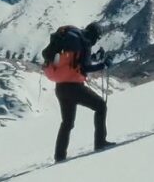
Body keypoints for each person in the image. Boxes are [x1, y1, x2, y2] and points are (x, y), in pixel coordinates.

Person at [44, 22, 115, 162]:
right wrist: (103, 65)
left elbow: (76, 63)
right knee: (100, 106)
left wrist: (94, 58)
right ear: (95, 35)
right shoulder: (85, 42)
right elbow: (85, 68)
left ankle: (59, 156)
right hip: (74, 87)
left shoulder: (74, 40)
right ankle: (100, 142)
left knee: (67, 122)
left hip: (60, 87)